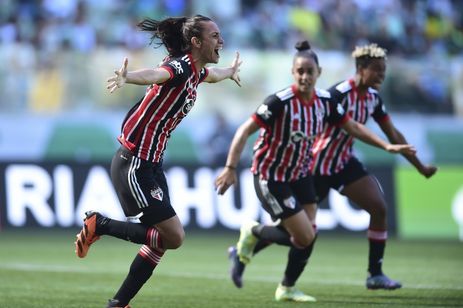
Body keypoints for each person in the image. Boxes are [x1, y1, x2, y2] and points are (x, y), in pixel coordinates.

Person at [227, 43, 438, 293]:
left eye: (384, 71)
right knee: (298, 231)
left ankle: (375, 274)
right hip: (315, 166)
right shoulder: (336, 94)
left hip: (343, 163)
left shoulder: (373, 99)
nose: (382, 76)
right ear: (361, 69)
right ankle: (244, 253)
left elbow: (391, 133)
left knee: (378, 208)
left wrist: (420, 167)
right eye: (378, 70)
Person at [74, 15, 242, 308]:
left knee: (163, 240)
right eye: (215, 36)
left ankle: (119, 303)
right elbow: (157, 74)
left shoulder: (197, 71)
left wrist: (229, 71)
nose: (221, 41)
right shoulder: (181, 67)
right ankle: (99, 223)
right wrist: (129, 77)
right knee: (174, 237)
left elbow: (212, 75)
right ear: (196, 42)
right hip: (135, 163)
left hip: (151, 163)